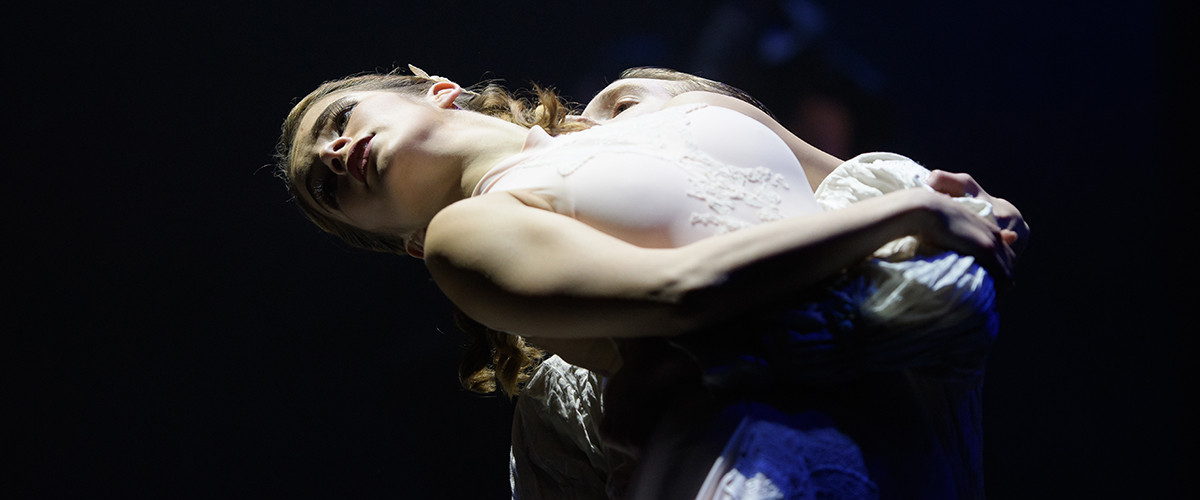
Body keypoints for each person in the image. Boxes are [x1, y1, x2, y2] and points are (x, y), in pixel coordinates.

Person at [275, 67, 1017, 498]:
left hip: (912, 441)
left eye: (339, 121)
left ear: (435, 88)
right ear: (407, 245)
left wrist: (971, 209)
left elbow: (852, 186)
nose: (335, 154)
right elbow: (683, 291)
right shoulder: (466, 234)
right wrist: (904, 215)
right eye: (326, 187)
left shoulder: (654, 99)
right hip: (757, 466)